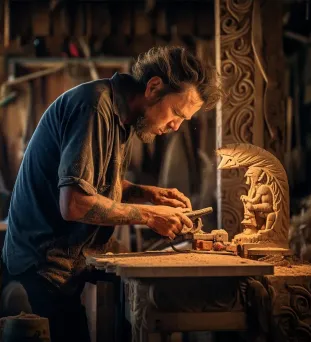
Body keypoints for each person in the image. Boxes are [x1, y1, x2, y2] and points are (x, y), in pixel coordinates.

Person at [0, 46, 222, 341]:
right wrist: (150, 215)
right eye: (176, 114)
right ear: (154, 87)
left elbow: (94, 184)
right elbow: (75, 203)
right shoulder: (94, 107)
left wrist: (148, 194)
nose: (175, 127)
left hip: (65, 259)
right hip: (39, 267)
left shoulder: (124, 118)